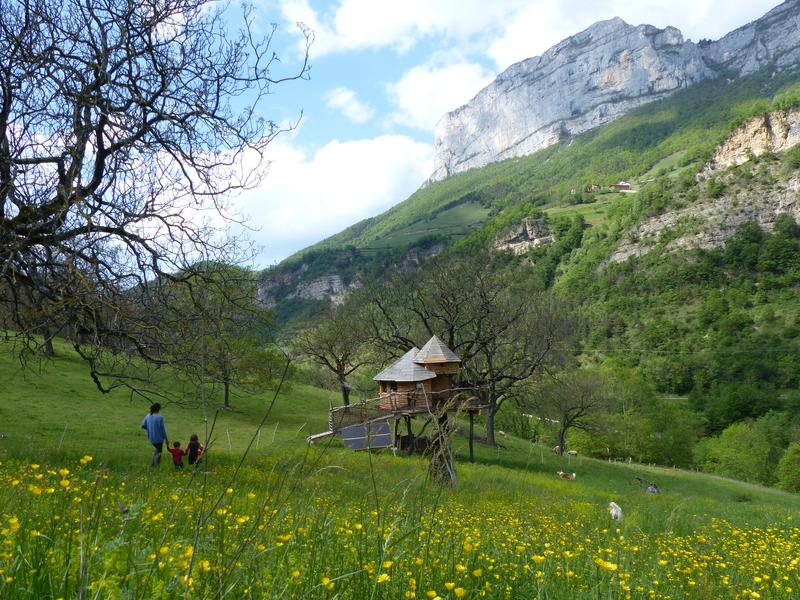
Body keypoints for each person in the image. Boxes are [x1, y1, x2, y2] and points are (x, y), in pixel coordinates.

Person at [141, 402, 169, 467]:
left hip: (151, 438)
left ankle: (152, 465)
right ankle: (155, 466)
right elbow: (163, 430)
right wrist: (166, 440)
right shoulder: (160, 418)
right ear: (158, 409)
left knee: (156, 450)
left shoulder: (148, 416)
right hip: (158, 439)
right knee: (159, 453)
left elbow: (143, 426)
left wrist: (149, 430)